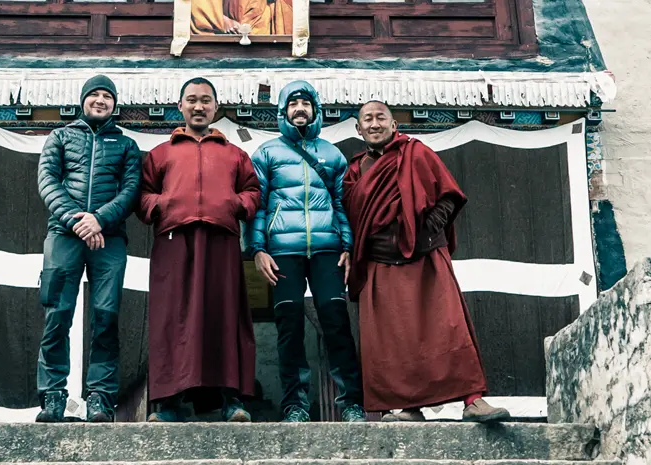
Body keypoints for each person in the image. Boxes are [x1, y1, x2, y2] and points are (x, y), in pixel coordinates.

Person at [342, 100, 511, 423]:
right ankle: (409, 408)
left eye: (381, 118)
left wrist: (427, 227)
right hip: (380, 261)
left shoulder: (416, 153)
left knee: (448, 326)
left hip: (425, 256)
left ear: (394, 125)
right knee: (394, 337)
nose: (374, 124)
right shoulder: (354, 170)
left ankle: (473, 400)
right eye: (368, 119)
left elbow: (449, 195)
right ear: (358, 129)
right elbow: (352, 216)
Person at [138, 77, 261, 422]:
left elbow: (253, 191)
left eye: (206, 101)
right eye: (191, 100)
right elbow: (143, 194)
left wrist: (234, 204)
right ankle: (170, 405)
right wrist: (163, 205)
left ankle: (232, 401)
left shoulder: (234, 154)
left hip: (221, 241)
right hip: (174, 242)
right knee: (172, 320)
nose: (198, 106)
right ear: (180, 106)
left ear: (215, 108)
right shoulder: (162, 153)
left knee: (225, 316)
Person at [245, 81, 365, 423]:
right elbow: (259, 205)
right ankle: (294, 404)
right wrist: (257, 249)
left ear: (315, 110)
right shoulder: (267, 153)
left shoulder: (332, 154)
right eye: (293, 103)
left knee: (336, 320)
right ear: (283, 111)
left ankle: (352, 403)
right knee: (289, 322)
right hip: (283, 250)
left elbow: (342, 204)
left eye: (305, 103)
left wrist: (347, 246)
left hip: (327, 248)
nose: (300, 108)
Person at [35, 75, 142, 423]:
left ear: (115, 104)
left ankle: (100, 397)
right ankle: (52, 395)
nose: (100, 101)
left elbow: (130, 192)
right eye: (94, 95)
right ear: (83, 100)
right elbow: (48, 181)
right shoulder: (61, 137)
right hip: (64, 235)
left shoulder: (126, 146)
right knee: (57, 314)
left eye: (107, 96)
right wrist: (78, 221)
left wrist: (99, 221)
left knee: (106, 317)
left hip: (108, 239)